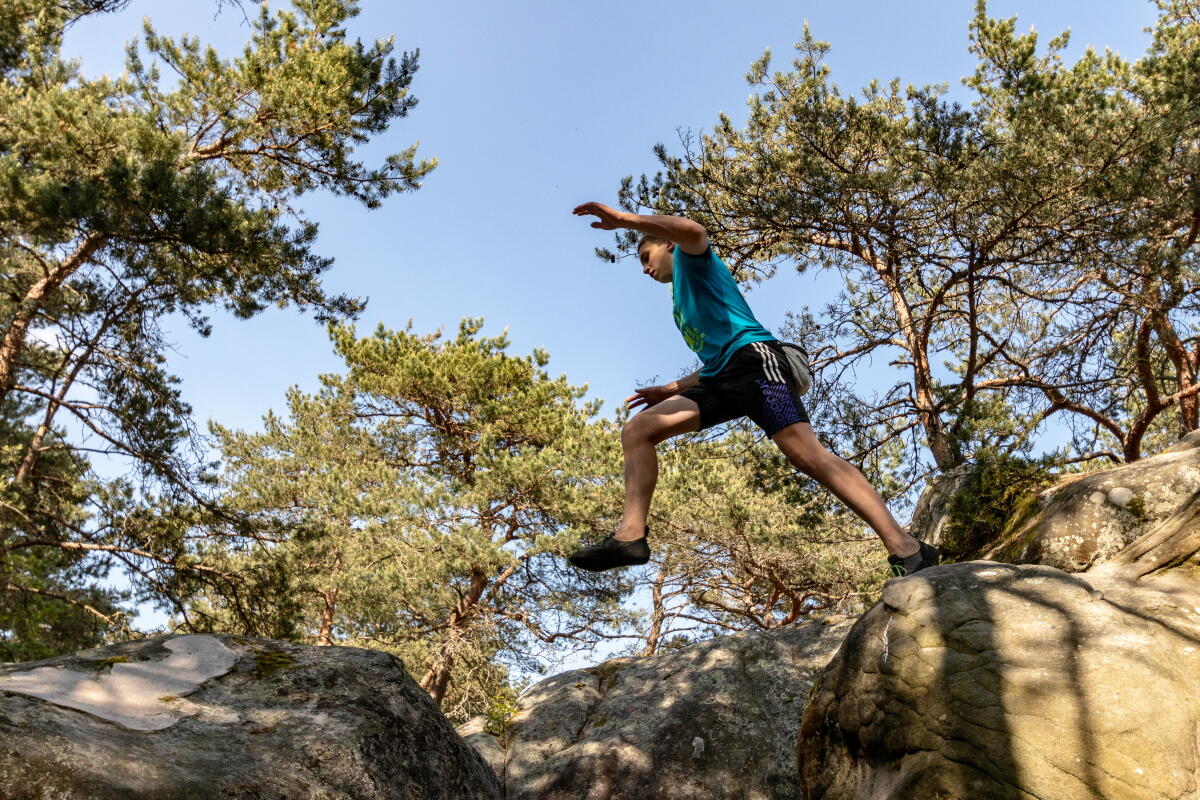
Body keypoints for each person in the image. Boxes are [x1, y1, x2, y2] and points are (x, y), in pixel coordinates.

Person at [567, 201, 941, 578]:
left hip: (755, 365)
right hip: (720, 378)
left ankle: (906, 547)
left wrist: (624, 220)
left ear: (667, 244)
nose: (645, 268)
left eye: (646, 257)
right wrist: (668, 390)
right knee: (638, 430)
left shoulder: (691, 261)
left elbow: (694, 231)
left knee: (807, 456)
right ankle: (630, 537)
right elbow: (715, 359)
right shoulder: (680, 299)